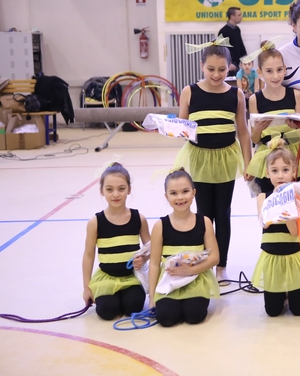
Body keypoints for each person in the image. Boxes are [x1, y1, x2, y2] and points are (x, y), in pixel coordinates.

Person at [175, 42, 252, 279]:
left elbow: (243, 132)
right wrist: (169, 127)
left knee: (223, 213)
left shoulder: (235, 94)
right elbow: (182, 128)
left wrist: (248, 163)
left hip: (225, 159)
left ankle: (221, 266)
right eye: (211, 69)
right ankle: (205, 263)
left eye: (222, 69)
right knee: (204, 213)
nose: (216, 75)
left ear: (229, 68)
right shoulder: (189, 92)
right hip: (199, 158)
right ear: (202, 66)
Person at [251, 143, 300, 317]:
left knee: (298, 310)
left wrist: (287, 201)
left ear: (294, 171)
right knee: (272, 311)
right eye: (274, 171)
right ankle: (281, 293)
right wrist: (276, 198)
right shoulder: (262, 197)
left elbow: (295, 232)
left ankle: (295, 292)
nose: (280, 175)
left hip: (293, 256)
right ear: (267, 173)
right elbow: (265, 223)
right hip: (272, 256)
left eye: (285, 170)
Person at [148, 170, 220, 327]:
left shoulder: (204, 222)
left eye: (185, 191)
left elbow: (215, 257)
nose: (180, 197)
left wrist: (190, 270)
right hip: (169, 280)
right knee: (166, 319)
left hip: (195, 279)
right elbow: (154, 263)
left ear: (194, 193)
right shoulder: (160, 226)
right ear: (166, 196)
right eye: (174, 193)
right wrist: (152, 297)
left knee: (194, 316)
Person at [82, 163, 150, 320]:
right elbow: (88, 255)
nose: (116, 194)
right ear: (102, 191)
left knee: (133, 307)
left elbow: (152, 248)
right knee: (107, 311)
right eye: (109, 189)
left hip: (131, 278)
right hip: (107, 278)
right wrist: (87, 287)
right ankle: (112, 299)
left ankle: (125, 296)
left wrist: (143, 259)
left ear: (129, 189)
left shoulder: (138, 218)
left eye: (121, 189)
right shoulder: (95, 222)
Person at [246, 41, 300, 194]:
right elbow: (255, 139)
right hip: (268, 154)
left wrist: (296, 127)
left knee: (294, 198)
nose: (276, 76)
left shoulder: (295, 95)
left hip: (291, 154)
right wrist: (258, 129)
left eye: (279, 70)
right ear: (260, 73)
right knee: (269, 198)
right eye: (269, 71)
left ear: (285, 69)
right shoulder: (255, 100)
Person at [218, 7, 248, 75]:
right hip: (229, 66)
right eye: (239, 15)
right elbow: (221, 50)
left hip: (236, 64)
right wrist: (228, 63)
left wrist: (246, 58)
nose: (241, 17)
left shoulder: (237, 29)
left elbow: (240, 45)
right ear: (232, 16)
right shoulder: (224, 31)